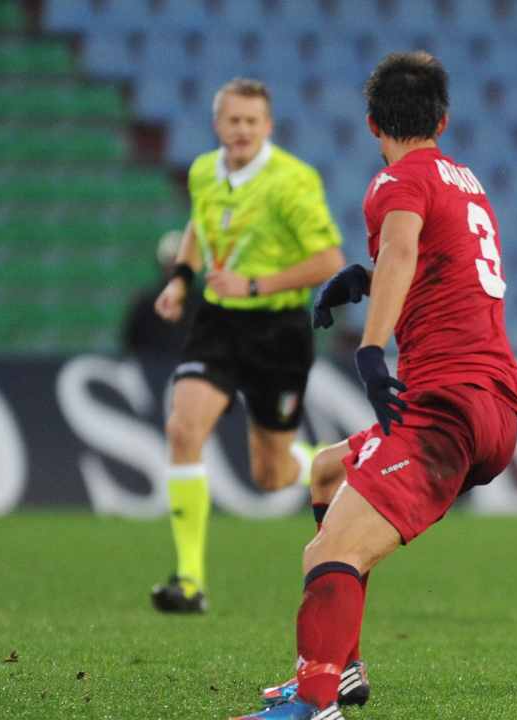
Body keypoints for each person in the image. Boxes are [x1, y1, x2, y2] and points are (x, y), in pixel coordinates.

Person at [231, 50, 517, 719]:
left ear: (371, 123)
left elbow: (402, 249)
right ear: (442, 120)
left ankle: (312, 703)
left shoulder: (395, 182)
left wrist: (369, 351)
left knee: (328, 551)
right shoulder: (465, 179)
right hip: (495, 404)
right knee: (329, 473)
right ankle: (342, 669)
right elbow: (433, 255)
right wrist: (361, 277)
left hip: (445, 405)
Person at [149, 78, 345, 613]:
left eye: (250, 122)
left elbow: (329, 260)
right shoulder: (202, 172)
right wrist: (181, 279)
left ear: (267, 127)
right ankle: (188, 579)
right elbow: (200, 225)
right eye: (232, 121)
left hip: (278, 331)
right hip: (218, 323)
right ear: (218, 125)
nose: (240, 130)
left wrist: (256, 285)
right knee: (182, 427)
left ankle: (331, 463)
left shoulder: (292, 181)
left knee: (271, 473)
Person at [120, 230, 203, 356]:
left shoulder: (204, 302)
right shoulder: (146, 301)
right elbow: (130, 341)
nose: (175, 267)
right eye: (171, 261)